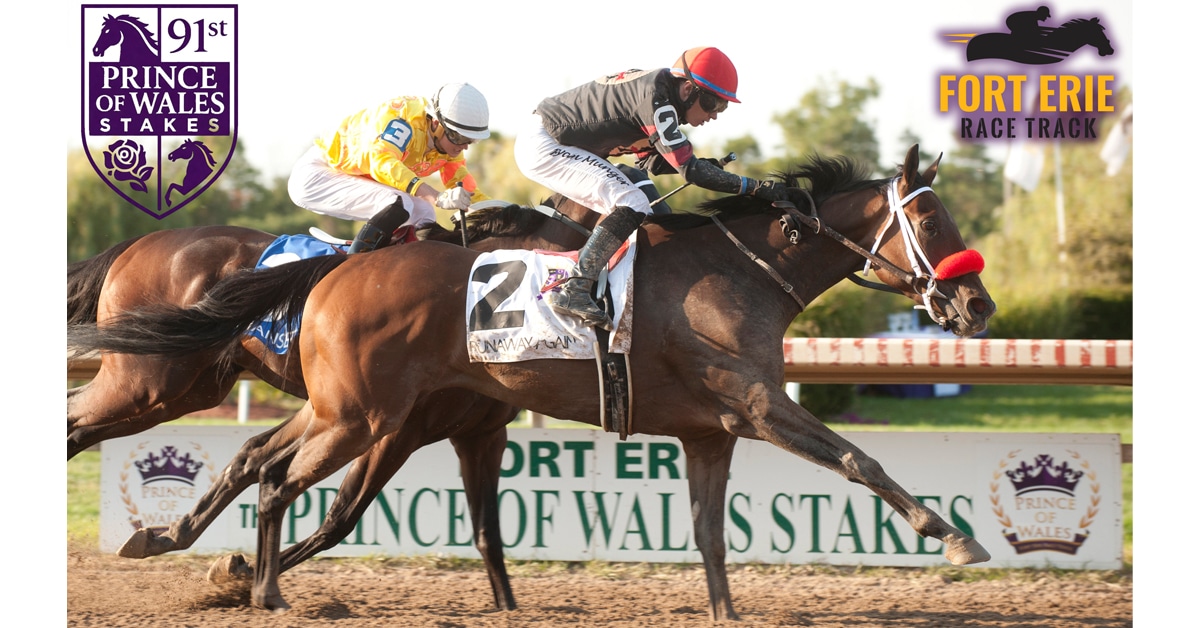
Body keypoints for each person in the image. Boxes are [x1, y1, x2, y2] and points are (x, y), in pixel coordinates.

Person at [514, 46, 788, 330]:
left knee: (636, 201)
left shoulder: (660, 95)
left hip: (554, 140)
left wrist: (704, 165)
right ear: (687, 89)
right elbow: (691, 171)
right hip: (546, 143)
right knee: (632, 202)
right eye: (711, 103)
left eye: (722, 106)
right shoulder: (658, 100)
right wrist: (754, 187)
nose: (714, 115)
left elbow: (651, 162)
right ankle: (575, 288)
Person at [288, 83, 492, 253]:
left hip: (356, 178)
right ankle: (354, 268)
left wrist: (496, 210)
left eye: (471, 140)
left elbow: (462, 181)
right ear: (436, 123)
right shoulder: (404, 120)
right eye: (458, 137)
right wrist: (436, 196)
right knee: (400, 203)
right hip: (319, 174)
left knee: (424, 213)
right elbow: (382, 162)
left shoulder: (450, 143)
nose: (464, 145)